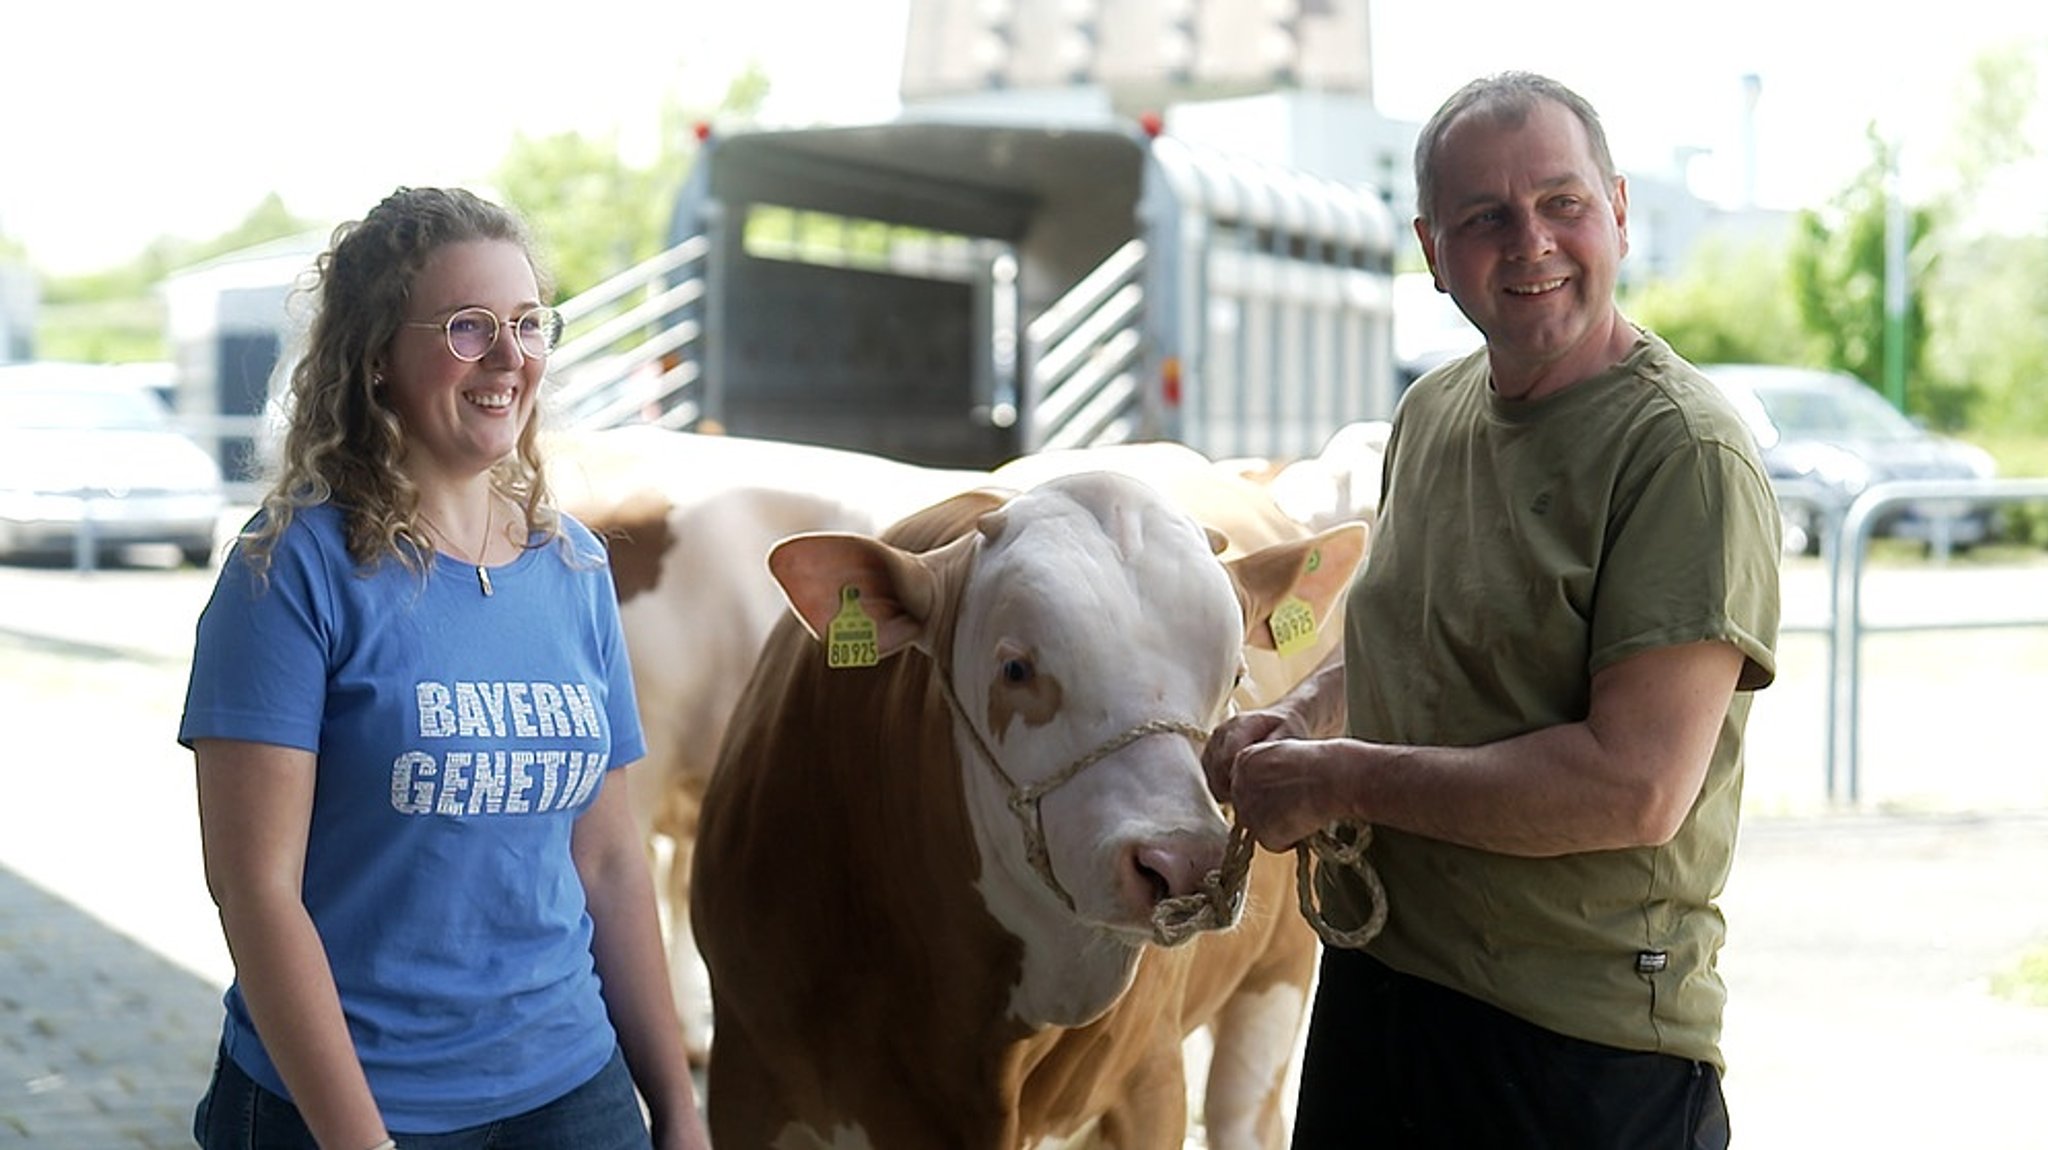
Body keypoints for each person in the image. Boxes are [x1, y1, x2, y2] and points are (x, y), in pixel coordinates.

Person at [1203, 73, 1782, 1148]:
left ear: (1615, 208)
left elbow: (1633, 788)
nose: (1529, 243)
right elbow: (1407, 649)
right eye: (1483, 218)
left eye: (1559, 202)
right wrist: (1303, 721)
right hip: (1382, 992)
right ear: (1430, 250)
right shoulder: (1430, 411)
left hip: (1576, 1042)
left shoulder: (1679, 452)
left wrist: (1334, 778)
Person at [179, 187, 710, 1150]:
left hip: (571, 1090)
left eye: (526, 323)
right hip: (346, 1105)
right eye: (468, 328)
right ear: (377, 357)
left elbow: (611, 861)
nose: (510, 357)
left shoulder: (576, 568)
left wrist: (675, 1105)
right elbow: (255, 890)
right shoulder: (292, 569)